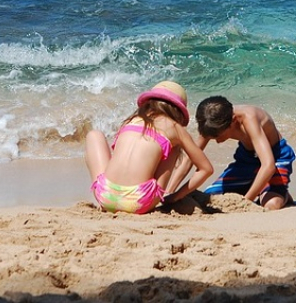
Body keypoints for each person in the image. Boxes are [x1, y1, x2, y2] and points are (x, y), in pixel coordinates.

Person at [84, 81, 213, 214]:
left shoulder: (130, 121)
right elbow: (206, 169)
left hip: (106, 197)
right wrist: (176, 196)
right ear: (178, 111)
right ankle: (166, 193)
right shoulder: (175, 128)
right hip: (139, 202)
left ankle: (106, 190)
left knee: (94, 135)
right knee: (173, 146)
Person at [168, 95, 296, 210]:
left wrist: (245, 202)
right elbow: (190, 159)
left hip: (276, 157)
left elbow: (268, 166)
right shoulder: (211, 121)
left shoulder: (249, 118)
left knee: (270, 205)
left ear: (233, 121)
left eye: (218, 136)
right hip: (247, 159)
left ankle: (281, 193)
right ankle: (256, 187)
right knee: (211, 196)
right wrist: (170, 192)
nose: (217, 141)